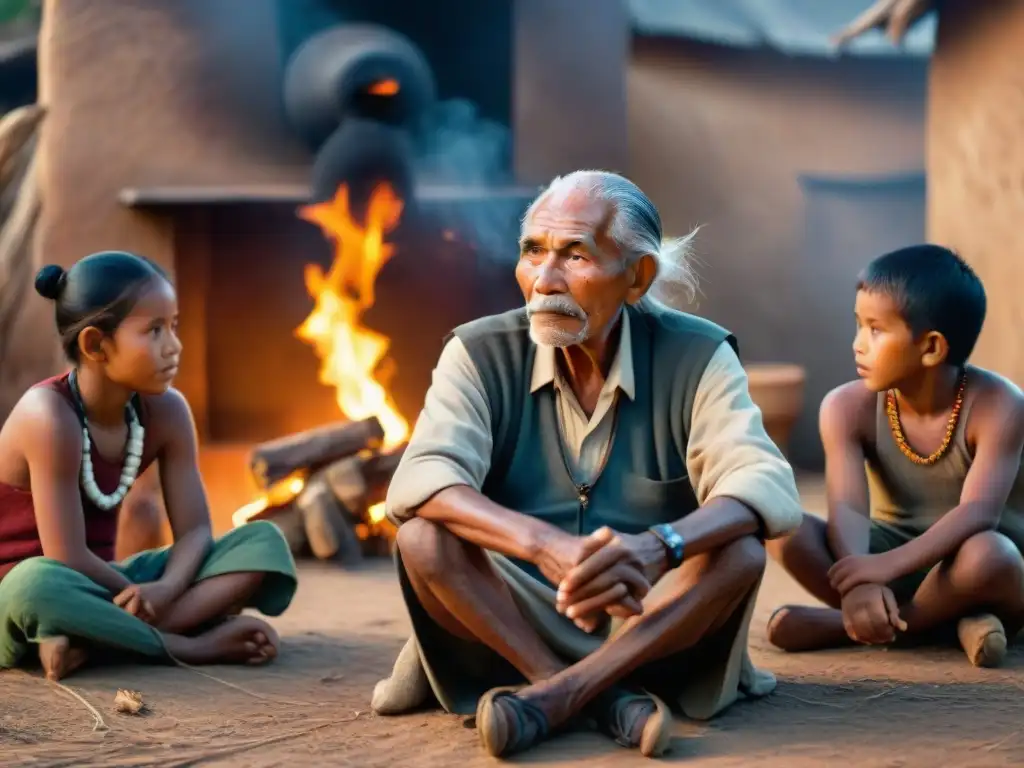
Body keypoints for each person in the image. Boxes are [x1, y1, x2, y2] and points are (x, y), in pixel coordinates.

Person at [370, 170, 803, 758]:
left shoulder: (698, 354)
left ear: (637, 276)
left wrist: (659, 546)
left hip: (646, 615)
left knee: (740, 553)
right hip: (508, 605)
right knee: (423, 540)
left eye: (575, 255)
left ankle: (549, 699)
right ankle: (591, 696)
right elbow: (423, 479)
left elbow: (763, 483)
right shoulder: (477, 350)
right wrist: (544, 545)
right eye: (533, 252)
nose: (545, 280)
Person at [0, 251, 298, 681]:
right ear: (96, 345)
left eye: (173, 326)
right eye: (154, 331)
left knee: (263, 542)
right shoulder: (48, 415)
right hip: (29, 590)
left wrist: (163, 588)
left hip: (107, 586)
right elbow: (64, 556)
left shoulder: (166, 412)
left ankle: (91, 640)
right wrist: (141, 598)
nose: (174, 346)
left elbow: (195, 531)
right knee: (36, 585)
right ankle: (185, 643)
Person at [767, 244, 1024, 668]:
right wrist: (859, 582)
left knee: (991, 555)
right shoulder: (846, 407)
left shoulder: (1000, 406)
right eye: (858, 325)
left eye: (875, 330)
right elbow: (848, 505)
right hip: (889, 554)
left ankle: (866, 625)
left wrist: (881, 569)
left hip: (974, 565)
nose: (857, 344)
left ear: (931, 348)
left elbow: (979, 513)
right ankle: (949, 622)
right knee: (781, 528)